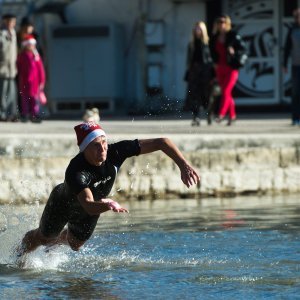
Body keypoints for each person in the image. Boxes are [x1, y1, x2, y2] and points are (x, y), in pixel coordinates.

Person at [17, 121, 200, 260]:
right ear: (84, 149)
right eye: (96, 145)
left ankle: (56, 242)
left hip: (94, 205)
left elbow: (162, 142)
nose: (103, 149)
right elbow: (88, 205)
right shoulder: (76, 171)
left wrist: (183, 165)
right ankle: (17, 255)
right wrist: (109, 204)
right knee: (44, 237)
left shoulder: (115, 152)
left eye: (104, 142)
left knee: (75, 245)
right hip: (63, 204)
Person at [209, 14, 247, 126]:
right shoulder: (214, 37)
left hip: (232, 67)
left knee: (226, 91)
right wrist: (214, 64)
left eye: (223, 22)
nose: (221, 25)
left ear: (227, 24)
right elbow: (211, 52)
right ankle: (233, 116)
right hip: (219, 67)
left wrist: (234, 52)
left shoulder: (233, 35)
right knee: (227, 93)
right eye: (219, 22)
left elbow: (243, 49)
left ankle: (221, 114)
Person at [184, 21, 214, 126]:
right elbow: (189, 60)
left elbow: (210, 59)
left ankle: (210, 114)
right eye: (196, 29)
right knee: (193, 95)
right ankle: (195, 117)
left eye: (200, 29)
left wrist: (212, 73)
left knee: (207, 95)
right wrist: (188, 71)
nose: (198, 31)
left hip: (205, 71)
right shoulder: (191, 44)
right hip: (194, 71)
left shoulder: (207, 43)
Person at [17, 34, 46, 122]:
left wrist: (42, 81)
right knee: (25, 99)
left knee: (34, 99)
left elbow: (41, 70)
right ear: (25, 45)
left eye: (33, 45)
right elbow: (19, 68)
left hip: (35, 83)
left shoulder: (36, 57)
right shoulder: (22, 56)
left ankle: (34, 114)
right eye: (30, 45)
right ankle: (25, 114)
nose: (32, 46)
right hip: (25, 82)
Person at [283, 8, 300, 126]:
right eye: (297, 17)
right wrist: (284, 63)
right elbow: (287, 47)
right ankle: (295, 118)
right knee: (296, 93)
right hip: (296, 65)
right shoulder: (292, 30)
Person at [0, 14, 18, 122]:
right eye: (10, 21)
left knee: (12, 93)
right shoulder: (1, 34)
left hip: (12, 69)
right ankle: (2, 114)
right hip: (2, 68)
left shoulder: (14, 33)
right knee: (2, 93)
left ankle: (12, 114)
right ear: (5, 22)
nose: (12, 24)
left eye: (13, 22)